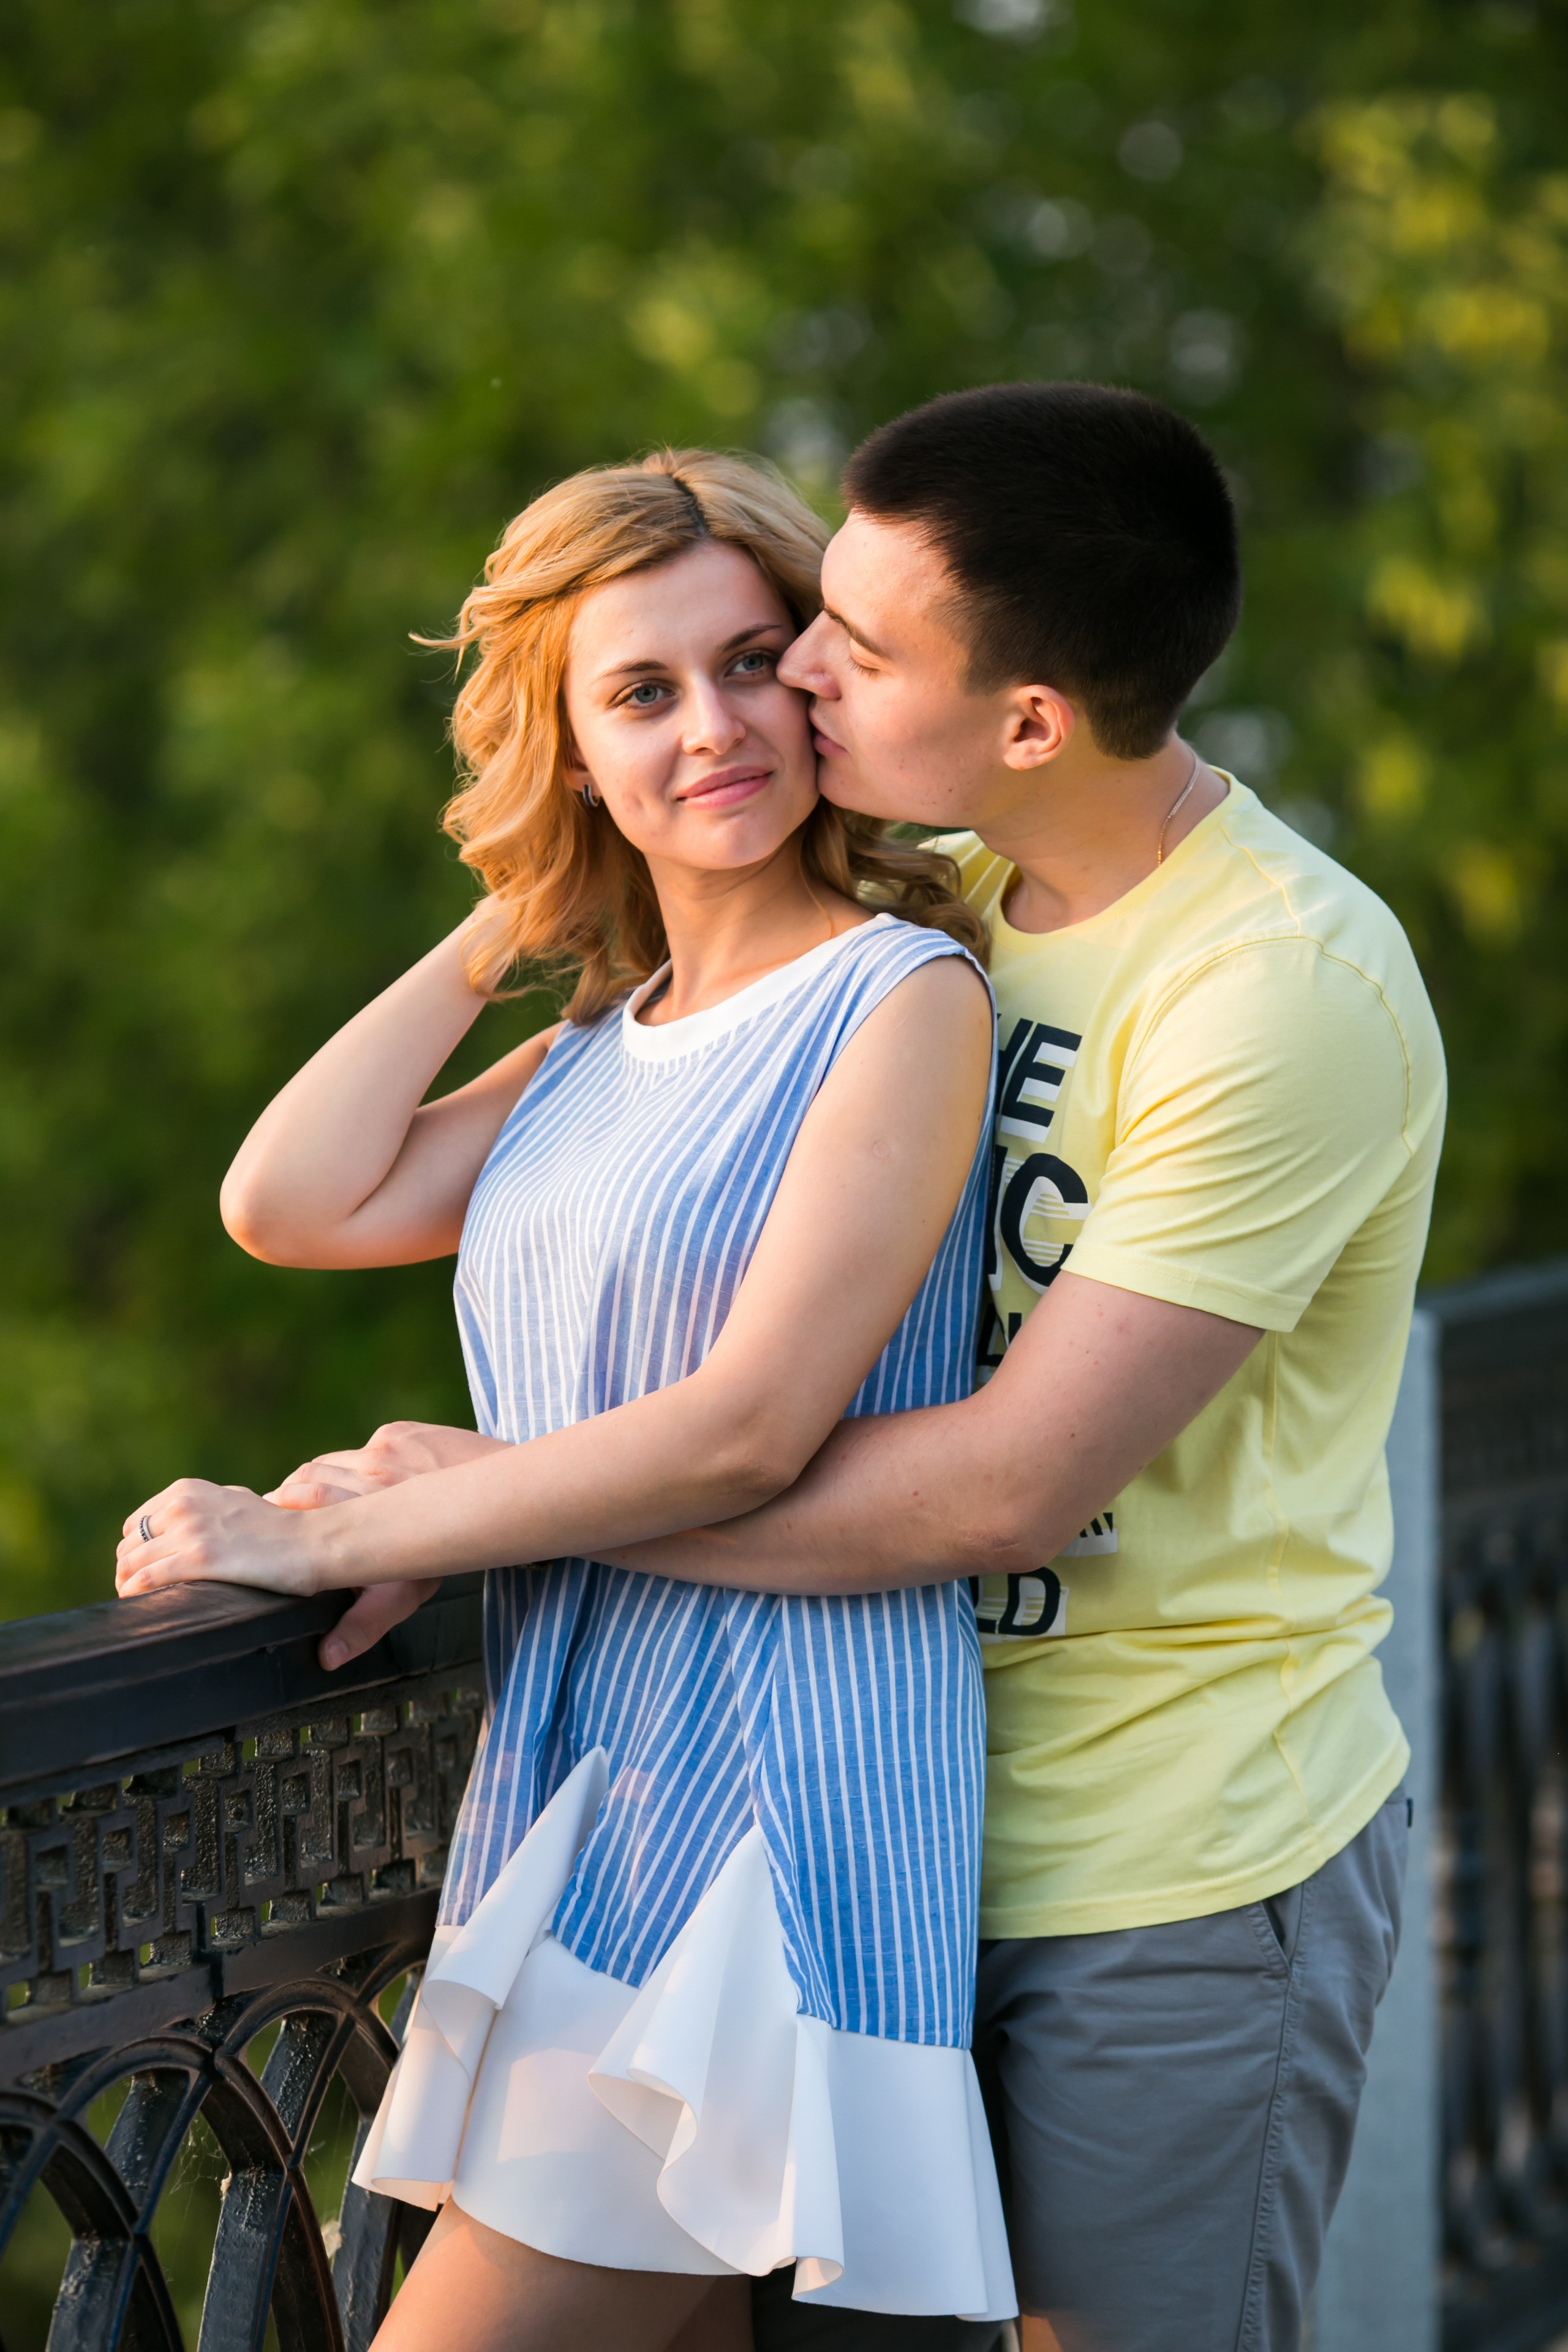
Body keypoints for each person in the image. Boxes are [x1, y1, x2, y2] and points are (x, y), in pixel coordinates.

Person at [298, 385, 1446, 2352]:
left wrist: (488, 1512)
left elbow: (993, 1485)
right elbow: (338, 1200)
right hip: (880, 1823)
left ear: (1027, 720)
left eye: (843, 644)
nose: (801, 677)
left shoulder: (1279, 997)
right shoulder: (956, 898)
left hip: (1155, 1873)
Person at [116, 449, 1016, 2350]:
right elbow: (292, 1198)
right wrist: (517, 906)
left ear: (824, 676)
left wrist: (327, 1538)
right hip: (586, 1769)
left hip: (778, 1777)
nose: (717, 725)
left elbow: (742, 1430)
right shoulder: (602, 1042)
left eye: (755, 661)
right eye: (640, 693)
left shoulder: (895, 996)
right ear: (570, 745)